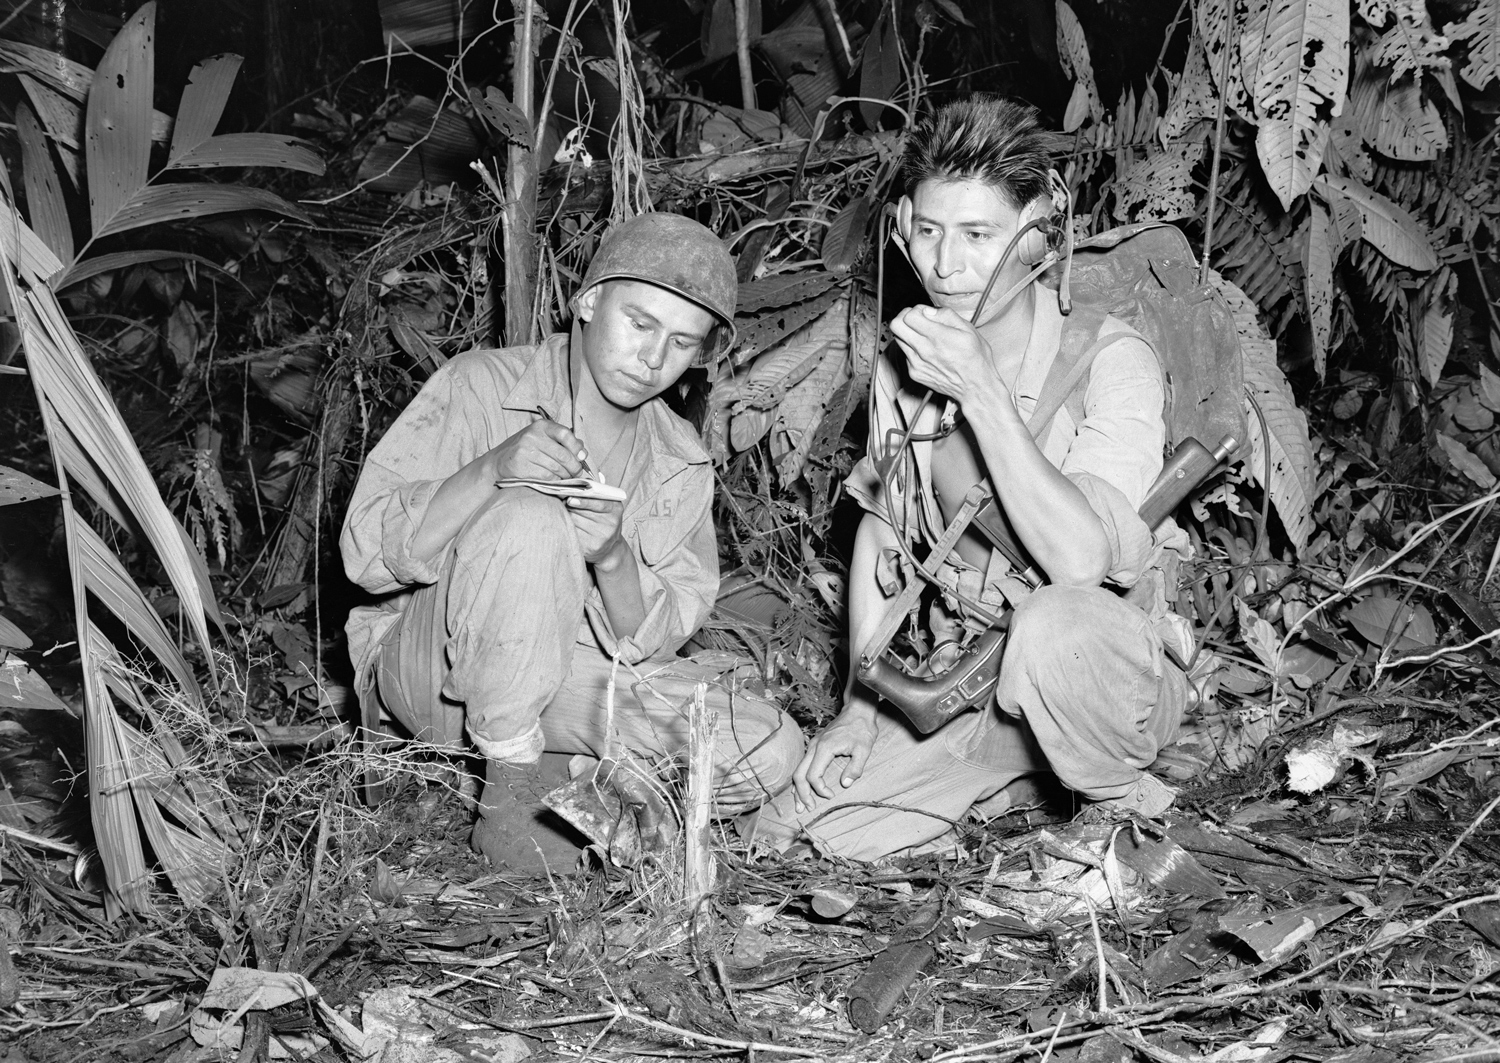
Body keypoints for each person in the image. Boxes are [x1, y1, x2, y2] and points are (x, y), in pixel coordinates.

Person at [749, 96, 1192, 861]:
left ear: (1036, 234)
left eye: (978, 235)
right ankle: (1024, 781)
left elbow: (1082, 563)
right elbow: (884, 534)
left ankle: (1125, 814)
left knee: (1055, 627)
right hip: (971, 673)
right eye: (927, 232)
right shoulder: (905, 369)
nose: (945, 265)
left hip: (1102, 674)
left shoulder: (1109, 362)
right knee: (818, 833)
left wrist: (983, 392)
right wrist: (859, 707)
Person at [341, 212, 805, 871]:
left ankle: (575, 786)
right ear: (589, 300)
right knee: (530, 516)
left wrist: (612, 556)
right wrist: (492, 470)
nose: (652, 358)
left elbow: (657, 640)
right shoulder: (480, 386)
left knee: (766, 748)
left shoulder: (678, 458)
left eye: (681, 342)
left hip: (567, 680)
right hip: (437, 672)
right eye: (639, 324)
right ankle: (509, 806)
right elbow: (363, 555)